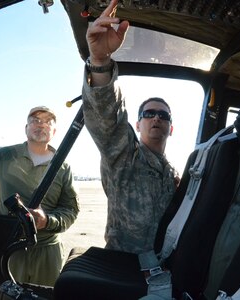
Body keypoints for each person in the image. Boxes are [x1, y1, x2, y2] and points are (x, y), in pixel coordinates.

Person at [82, 0, 179, 256]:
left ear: (171, 128)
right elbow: (108, 116)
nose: (156, 118)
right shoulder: (124, 157)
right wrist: (100, 59)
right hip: (120, 266)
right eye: (149, 113)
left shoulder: (173, 175)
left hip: (162, 269)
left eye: (163, 115)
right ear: (137, 124)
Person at [0, 106, 79, 286]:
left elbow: (71, 210)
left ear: (54, 131)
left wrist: (47, 221)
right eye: (35, 121)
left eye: (48, 122)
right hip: (10, 247)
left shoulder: (63, 167)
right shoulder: (3, 156)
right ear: (26, 128)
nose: (41, 125)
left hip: (47, 250)